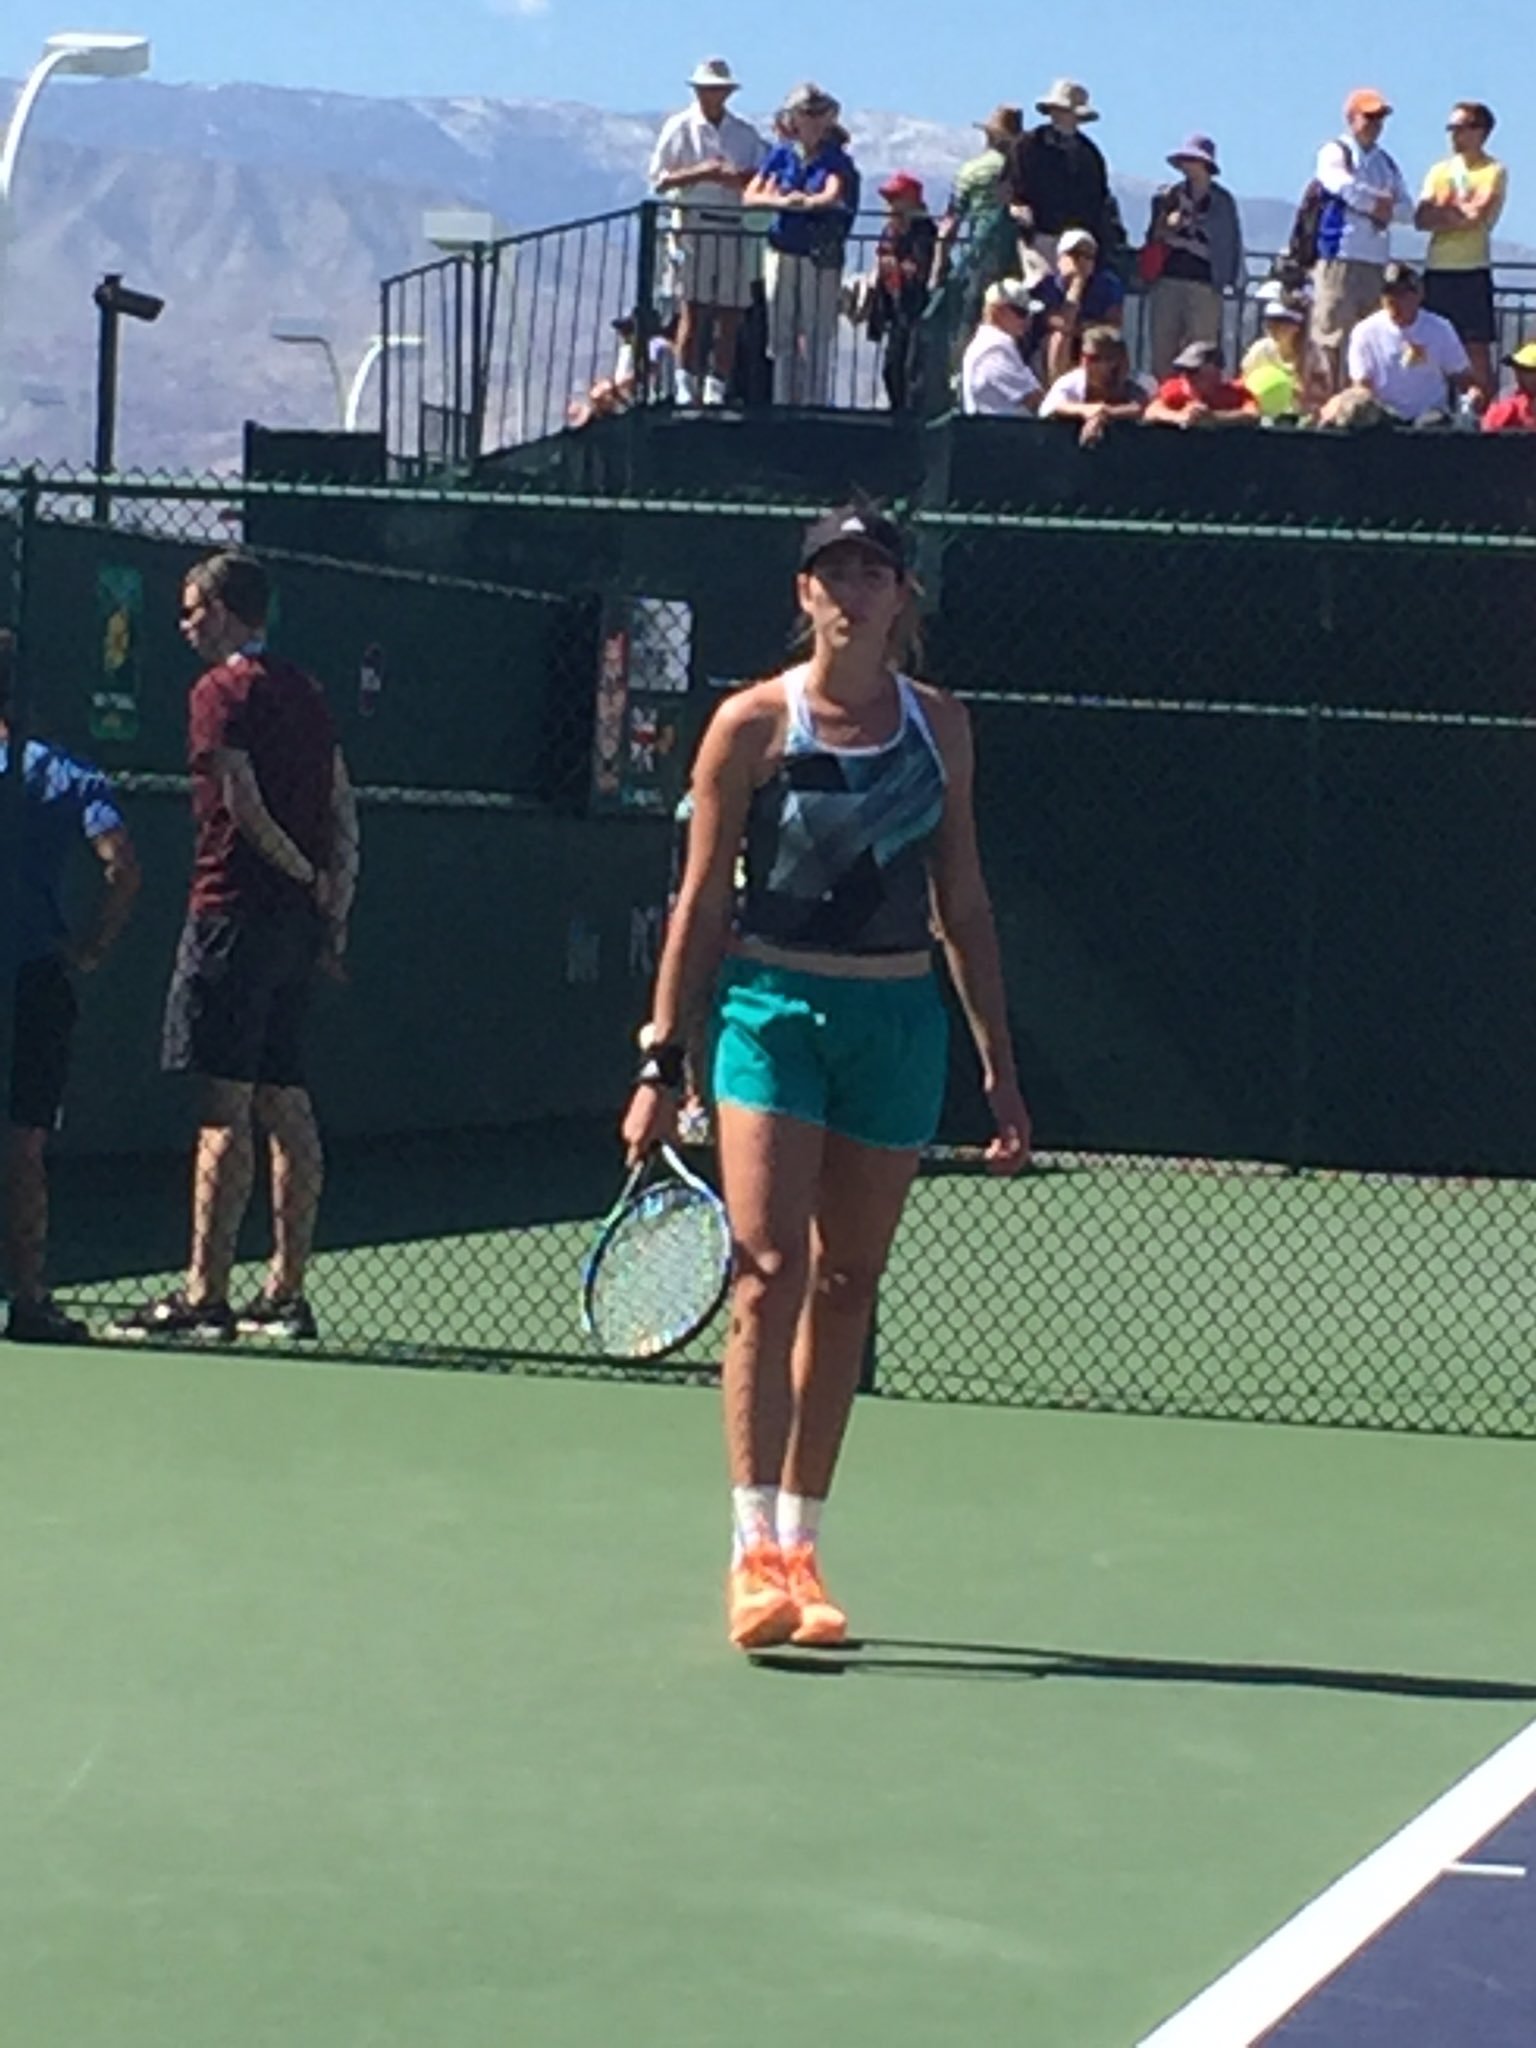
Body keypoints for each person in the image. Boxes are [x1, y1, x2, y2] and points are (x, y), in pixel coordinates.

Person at [619, 502, 1030, 1651]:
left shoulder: (942, 728)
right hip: (768, 1010)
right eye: (831, 573)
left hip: (897, 1019)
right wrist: (661, 1055)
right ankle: (751, 1551)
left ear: (903, 596)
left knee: (849, 1284)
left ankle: (803, 1545)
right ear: (804, 595)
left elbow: (965, 900)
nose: (851, 592)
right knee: (766, 1268)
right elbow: (699, 904)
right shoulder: (749, 725)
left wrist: (999, 1065)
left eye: (872, 572)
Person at [109, 553, 359, 1345]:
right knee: (283, 1098)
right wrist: (332, 896)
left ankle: (205, 1298)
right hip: (292, 923)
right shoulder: (309, 693)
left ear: (225, 610)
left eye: (192, 610)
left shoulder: (219, 692)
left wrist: (307, 874)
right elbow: (343, 804)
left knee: (225, 1108)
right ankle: (285, 1294)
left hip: (233, 915)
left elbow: (243, 805)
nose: (184, 624)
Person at [1, 629, 139, 1342]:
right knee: (24, 1146)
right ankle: (28, 1298)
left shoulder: (62, 774)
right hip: (37, 975)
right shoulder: (64, 774)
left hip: (30, 978)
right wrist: (89, 946)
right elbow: (122, 866)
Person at [647, 58, 765, 408]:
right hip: (694, 223)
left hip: (732, 225)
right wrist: (702, 173)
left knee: (729, 312)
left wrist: (736, 178)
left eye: (717, 89)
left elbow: (760, 176)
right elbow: (659, 179)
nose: (712, 95)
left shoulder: (744, 134)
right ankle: (687, 381)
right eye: (706, 89)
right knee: (693, 308)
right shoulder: (679, 128)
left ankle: (717, 383)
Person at [744, 84, 859, 407]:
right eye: (806, 114)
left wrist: (807, 203)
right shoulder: (780, 155)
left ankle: (815, 401)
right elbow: (751, 195)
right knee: (782, 330)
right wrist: (781, 200)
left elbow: (832, 193)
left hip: (818, 256)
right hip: (782, 249)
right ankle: (782, 399)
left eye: (818, 114)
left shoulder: (835, 159)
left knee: (816, 328)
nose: (812, 121)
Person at [1310, 88, 1412, 394]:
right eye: (1369, 117)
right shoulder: (1336, 151)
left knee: (1370, 336)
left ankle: (1362, 400)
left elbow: (1407, 208)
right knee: (1333, 334)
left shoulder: (1386, 164)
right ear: (1351, 118)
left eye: (1380, 118)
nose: (1375, 123)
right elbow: (1340, 185)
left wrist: (1386, 208)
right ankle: (1328, 400)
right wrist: (1378, 203)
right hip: (1340, 254)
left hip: (1375, 261)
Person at [1416, 102, 1507, 407]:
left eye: (1461, 128)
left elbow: (1475, 215)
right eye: (1450, 128)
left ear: (1480, 132)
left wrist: (1447, 212)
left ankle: (1484, 416)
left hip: (1472, 269)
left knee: (1475, 348)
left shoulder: (1493, 171)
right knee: (1431, 345)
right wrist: (1455, 214)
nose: (1454, 135)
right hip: (1436, 269)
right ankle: (1435, 409)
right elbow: (1422, 217)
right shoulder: (1438, 171)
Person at [1142, 135, 1245, 382]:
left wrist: (1231, 279)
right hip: (1168, 279)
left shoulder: (1222, 202)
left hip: (1205, 282)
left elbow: (1230, 242)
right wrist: (1167, 226)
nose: (1188, 165)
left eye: (1193, 159)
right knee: (1163, 347)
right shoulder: (1168, 196)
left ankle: (1198, 398)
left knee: (1202, 348)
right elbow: (1152, 237)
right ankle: (1165, 397)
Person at [1329, 261, 1471, 426]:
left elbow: (1463, 378)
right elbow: (1362, 385)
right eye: (1389, 294)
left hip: (1430, 416)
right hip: (1384, 417)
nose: (1394, 301)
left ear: (1418, 295)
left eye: (1402, 294)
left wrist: (1472, 397)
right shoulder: (1365, 332)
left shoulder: (1440, 329)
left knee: (1431, 423)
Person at [1006, 79, 1112, 269]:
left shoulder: (1089, 155)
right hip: (1038, 234)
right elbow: (1009, 185)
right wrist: (1017, 207)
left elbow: (1098, 200)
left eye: (1064, 110)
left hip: (1076, 239)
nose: (1059, 114)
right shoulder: (1029, 144)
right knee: (1041, 286)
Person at [866, 173, 937, 412]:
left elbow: (921, 269)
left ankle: (908, 412)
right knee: (892, 367)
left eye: (896, 198)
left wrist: (897, 265)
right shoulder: (889, 231)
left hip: (914, 306)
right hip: (893, 305)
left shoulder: (924, 230)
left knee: (909, 367)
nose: (890, 205)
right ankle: (895, 408)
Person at [1031, 228, 1125, 382]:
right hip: (1053, 349)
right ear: (1060, 259)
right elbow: (1059, 322)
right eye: (1075, 255)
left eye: (1088, 256)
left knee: (1109, 344)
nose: (1082, 261)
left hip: (1092, 340)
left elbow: (1114, 324)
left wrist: (1081, 329)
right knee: (1059, 337)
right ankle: (1058, 389)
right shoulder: (1047, 285)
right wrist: (1077, 285)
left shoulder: (1108, 285)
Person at [1039, 326, 1153, 445]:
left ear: (1113, 361)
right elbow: (1049, 407)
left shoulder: (1140, 381)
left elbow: (1143, 408)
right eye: (1083, 356)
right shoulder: (1071, 380)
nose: (1085, 363)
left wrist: (1103, 414)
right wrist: (1087, 410)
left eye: (1093, 358)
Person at [960, 279, 1043, 416]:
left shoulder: (1000, 344)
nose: (1028, 320)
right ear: (996, 311)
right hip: (998, 434)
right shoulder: (992, 348)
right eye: (1021, 312)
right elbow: (1034, 401)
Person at [1143, 339, 1260, 427]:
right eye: (1183, 370)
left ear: (1215, 372)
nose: (1187, 377)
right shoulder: (1176, 388)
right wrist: (1179, 416)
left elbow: (1253, 414)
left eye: (1193, 370)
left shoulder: (1235, 392)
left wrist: (1214, 417)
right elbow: (1151, 411)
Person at [1241, 291, 1314, 418]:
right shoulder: (1260, 350)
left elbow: (1320, 399)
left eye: (1279, 322)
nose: (1271, 327)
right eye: (1269, 321)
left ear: (1296, 327)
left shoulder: (1314, 357)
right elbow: (1243, 383)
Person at [1482, 342, 1536, 433]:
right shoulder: (1507, 404)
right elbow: (1486, 436)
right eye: (1517, 368)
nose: (1518, 373)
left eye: (1528, 369)